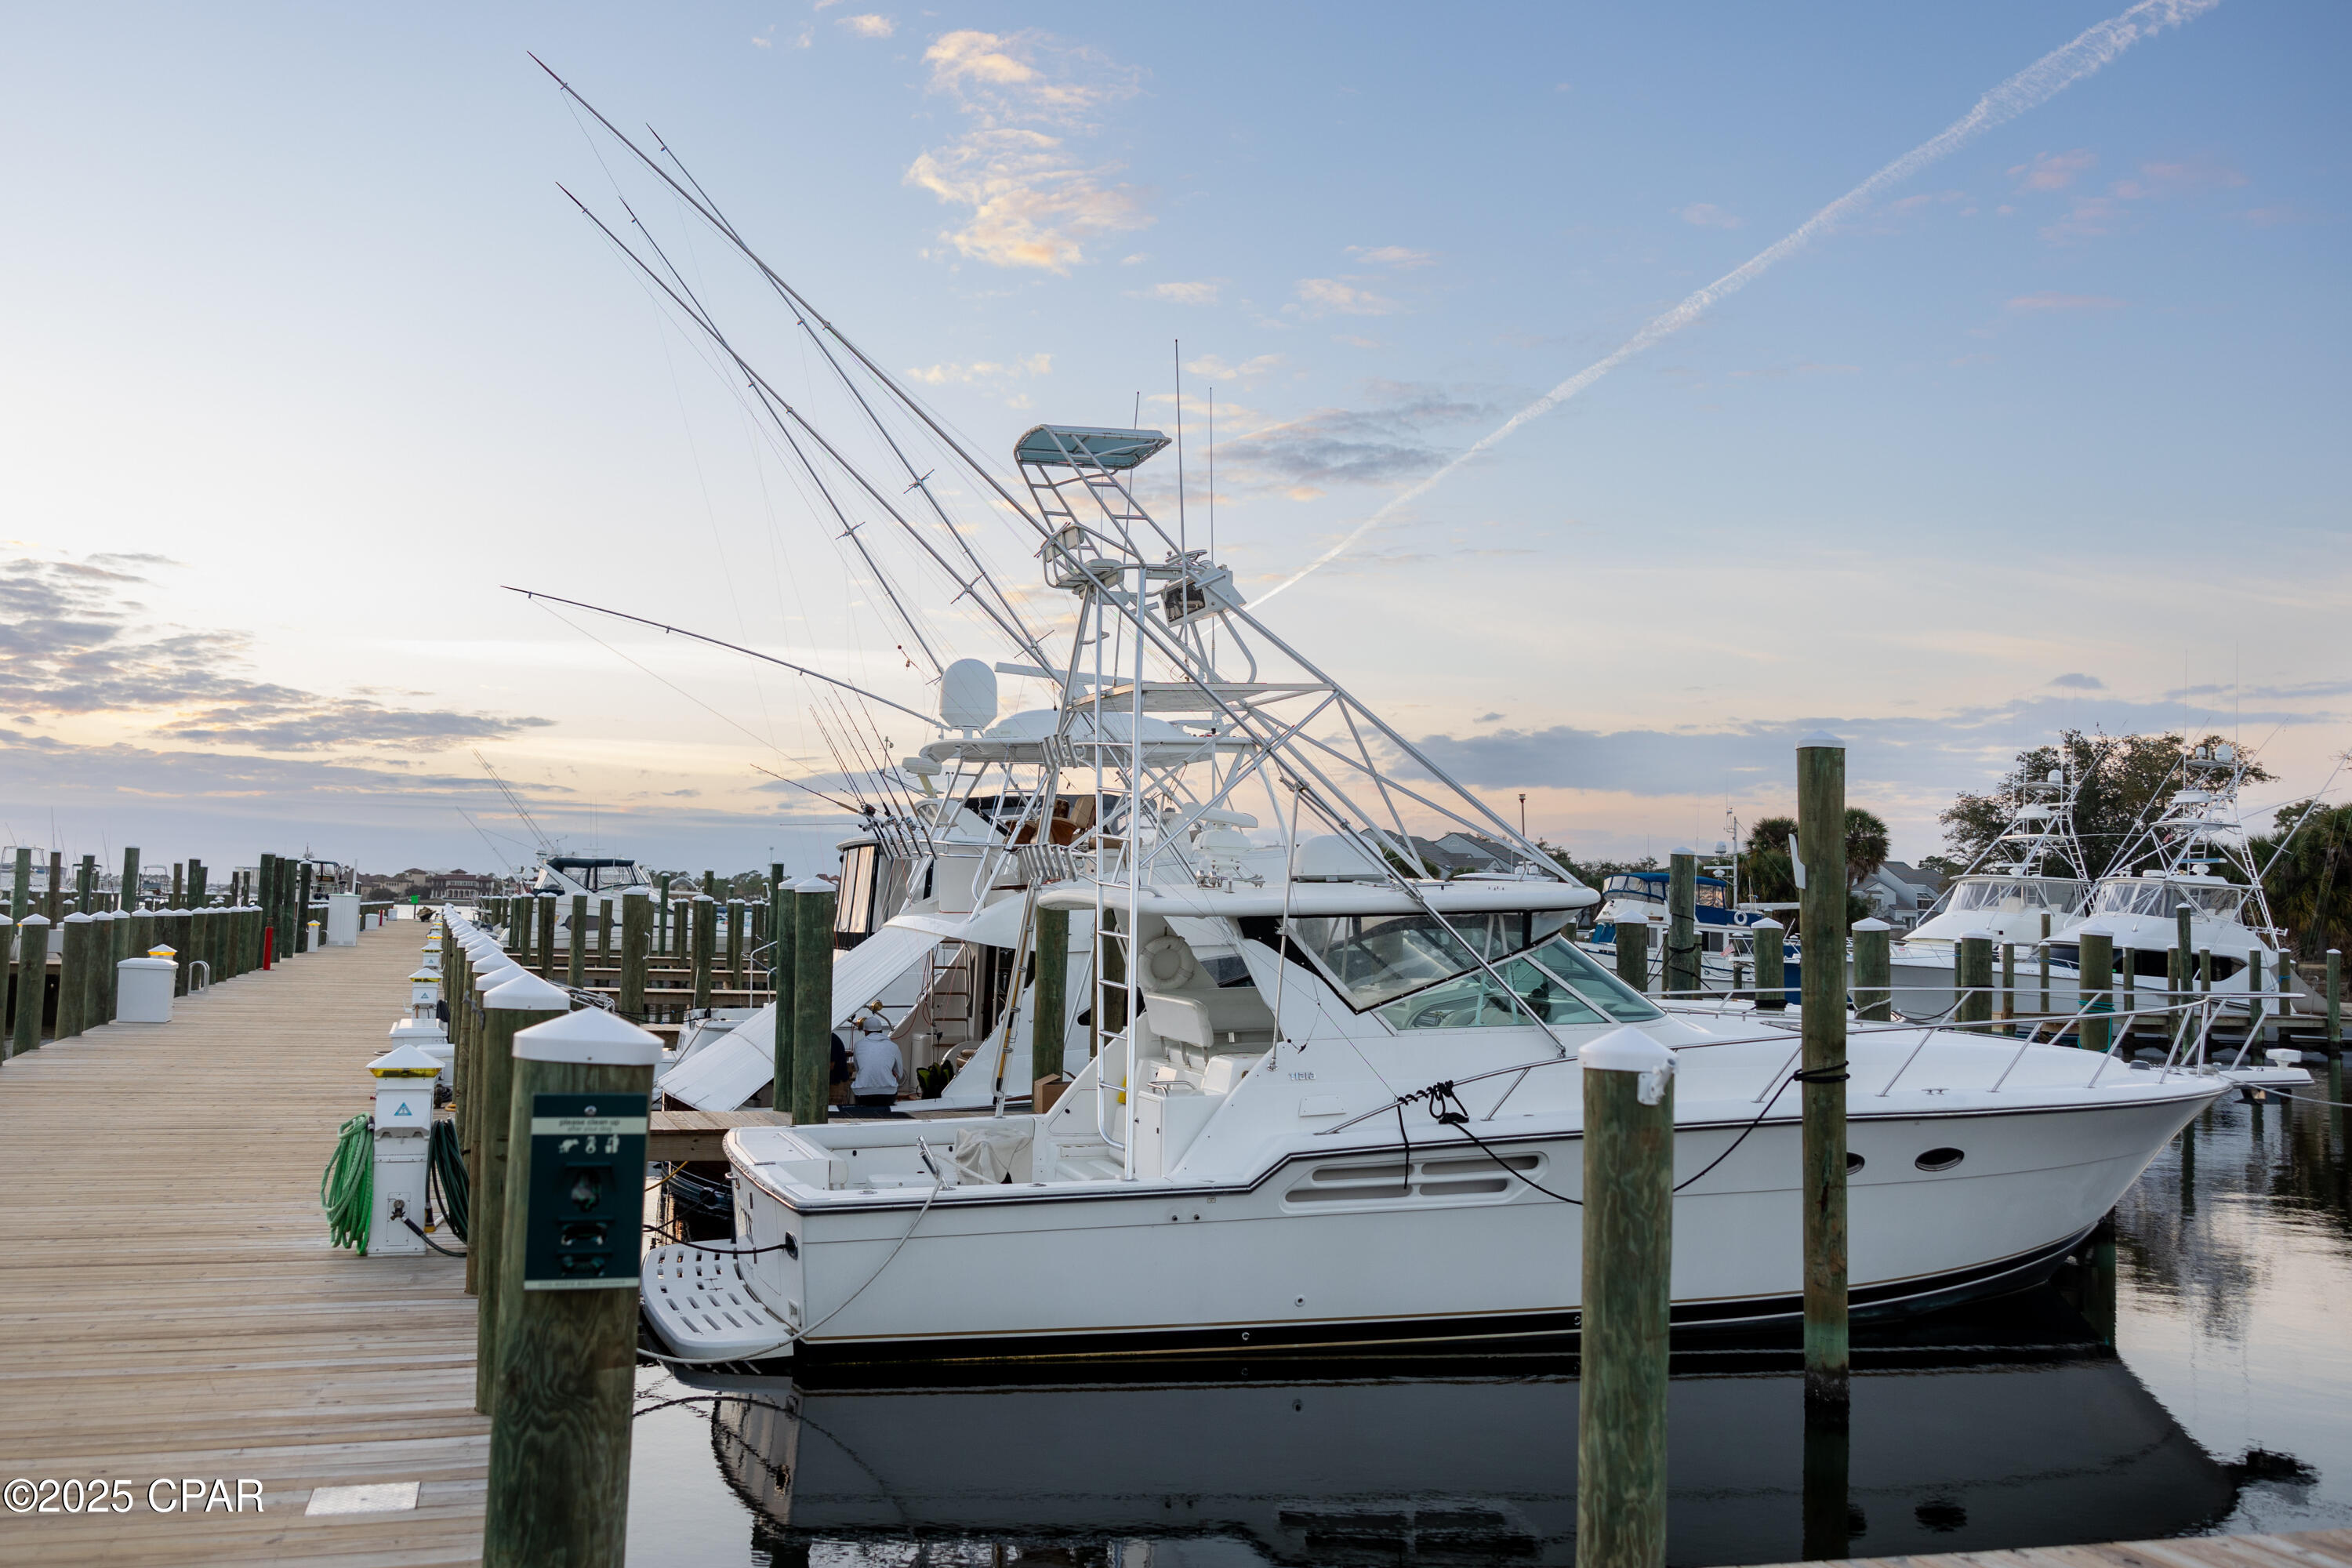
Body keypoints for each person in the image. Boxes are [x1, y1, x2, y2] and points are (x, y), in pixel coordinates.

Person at [851, 1013, 903, 1109]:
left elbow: (858, 1069)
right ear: (881, 1031)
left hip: (863, 1095)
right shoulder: (893, 1046)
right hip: (888, 1095)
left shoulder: (858, 1045)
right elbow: (900, 1074)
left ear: (866, 1032)